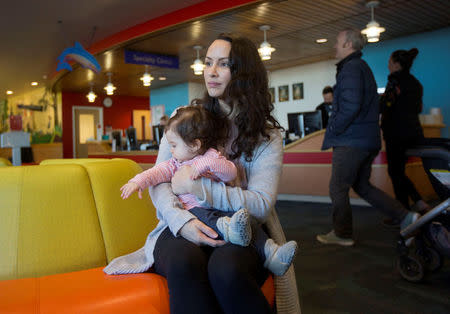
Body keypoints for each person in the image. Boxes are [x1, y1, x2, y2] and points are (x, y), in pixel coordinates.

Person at [104, 33, 300, 314]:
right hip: (180, 220)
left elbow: (260, 204)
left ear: (243, 73)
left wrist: (199, 189)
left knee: (226, 269)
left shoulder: (266, 137)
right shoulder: (185, 119)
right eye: (208, 63)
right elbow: (161, 181)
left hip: (239, 227)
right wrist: (182, 222)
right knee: (184, 262)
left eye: (223, 64)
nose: (212, 71)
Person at [120, 105, 297, 275]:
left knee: (249, 223)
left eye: (174, 145)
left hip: (221, 207)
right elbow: (156, 173)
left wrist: (205, 164)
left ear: (195, 145)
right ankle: (230, 231)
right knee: (215, 219)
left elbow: (230, 173)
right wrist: (137, 182)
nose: (171, 150)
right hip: (195, 211)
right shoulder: (174, 164)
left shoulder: (211, 157)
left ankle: (272, 253)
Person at [316, 29, 420, 247]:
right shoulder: (360, 67)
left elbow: (351, 105)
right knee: (362, 186)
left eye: (337, 41)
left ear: (348, 45)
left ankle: (342, 233)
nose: (334, 46)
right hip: (366, 139)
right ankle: (406, 217)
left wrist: (334, 127)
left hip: (351, 141)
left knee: (338, 187)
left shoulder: (351, 69)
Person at [380, 48, 429, 225]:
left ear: (395, 64)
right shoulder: (416, 83)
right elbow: (418, 109)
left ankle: (404, 213)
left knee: (395, 172)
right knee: (398, 173)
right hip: (414, 132)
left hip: (396, 133)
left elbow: (387, 104)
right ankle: (418, 204)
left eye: (389, 61)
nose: (387, 64)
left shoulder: (394, 80)